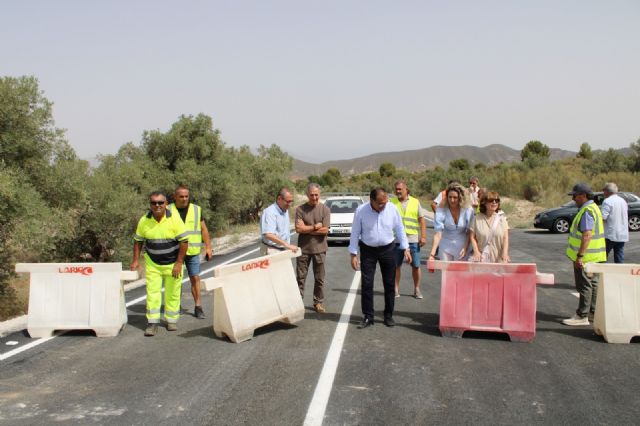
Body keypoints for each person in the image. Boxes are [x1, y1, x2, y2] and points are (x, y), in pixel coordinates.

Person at [349, 187, 411, 328]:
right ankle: (368, 317)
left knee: (389, 284)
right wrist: (353, 254)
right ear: (371, 200)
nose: (383, 206)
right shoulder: (361, 211)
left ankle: (388, 316)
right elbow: (355, 233)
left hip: (388, 249)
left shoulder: (392, 209)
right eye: (380, 203)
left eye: (385, 202)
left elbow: (400, 228)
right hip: (368, 250)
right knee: (367, 283)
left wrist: (405, 247)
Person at [131, 191, 188, 336]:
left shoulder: (174, 219)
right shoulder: (144, 220)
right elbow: (138, 241)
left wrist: (179, 263)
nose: (157, 205)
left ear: (166, 204)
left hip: (173, 263)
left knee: (173, 293)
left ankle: (171, 320)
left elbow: (184, 242)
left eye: (160, 203)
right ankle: (153, 323)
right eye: (154, 203)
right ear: (150, 204)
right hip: (153, 264)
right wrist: (136, 260)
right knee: (153, 293)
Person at [562, 183, 607, 326]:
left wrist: (580, 256)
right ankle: (593, 313)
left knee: (585, 286)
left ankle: (582, 315)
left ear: (583, 195)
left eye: (575, 195)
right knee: (593, 286)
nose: (574, 198)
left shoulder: (587, 211)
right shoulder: (594, 208)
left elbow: (587, 235)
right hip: (597, 256)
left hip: (586, 257)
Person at [168, 185, 213, 319]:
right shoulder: (167, 209)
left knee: (195, 277)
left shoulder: (196, 209)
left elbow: (203, 229)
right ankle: (176, 305)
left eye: (186, 196)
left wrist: (208, 247)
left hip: (193, 251)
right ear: (175, 197)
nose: (184, 199)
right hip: (174, 251)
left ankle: (198, 307)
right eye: (181, 196)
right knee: (176, 279)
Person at [295, 183, 331, 313]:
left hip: (320, 250)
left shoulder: (325, 209)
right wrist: (315, 226)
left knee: (319, 279)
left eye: (316, 195)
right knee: (300, 278)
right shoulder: (300, 209)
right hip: (304, 250)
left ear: (319, 194)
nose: (314, 197)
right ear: (307, 195)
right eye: (312, 195)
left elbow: (325, 231)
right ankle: (298, 303)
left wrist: (307, 229)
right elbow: (299, 229)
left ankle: (318, 302)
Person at [391, 180, 428, 299]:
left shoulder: (415, 202)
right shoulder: (392, 203)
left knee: (416, 266)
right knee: (396, 266)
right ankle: (395, 289)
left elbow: (421, 220)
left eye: (400, 189)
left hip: (412, 239)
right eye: (396, 189)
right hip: (397, 240)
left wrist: (423, 236)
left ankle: (417, 289)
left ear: (406, 189)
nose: (397, 191)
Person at [428, 182, 474, 262]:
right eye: (450, 197)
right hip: (445, 244)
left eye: (455, 197)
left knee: (460, 273)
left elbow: (469, 232)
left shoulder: (468, 210)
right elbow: (438, 233)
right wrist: (432, 254)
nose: (452, 200)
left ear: (460, 198)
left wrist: (465, 247)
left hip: (462, 245)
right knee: (446, 273)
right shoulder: (441, 210)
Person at [469, 191, 510, 263]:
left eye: (497, 200)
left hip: (499, 258)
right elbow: (472, 237)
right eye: (491, 200)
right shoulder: (477, 218)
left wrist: (505, 253)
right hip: (481, 258)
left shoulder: (502, 219)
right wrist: (476, 252)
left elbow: (505, 238)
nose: (494, 202)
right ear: (484, 203)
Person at [260, 187, 298, 255]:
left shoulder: (285, 210)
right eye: (288, 201)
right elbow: (269, 234)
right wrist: (286, 245)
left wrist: (286, 245)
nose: (289, 204)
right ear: (279, 199)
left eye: (291, 201)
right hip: (272, 250)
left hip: (283, 248)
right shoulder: (270, 212)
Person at [601, 182, 628, 264]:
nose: (603, 193)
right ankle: (620, 275)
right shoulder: (622, 200)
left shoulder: (607, 201)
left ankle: (603, 274)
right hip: (622, 233)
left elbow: (603, 217)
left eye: (604, 191)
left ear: (607, 191)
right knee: (619, 257)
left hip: (610, 234)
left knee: (602, 256)